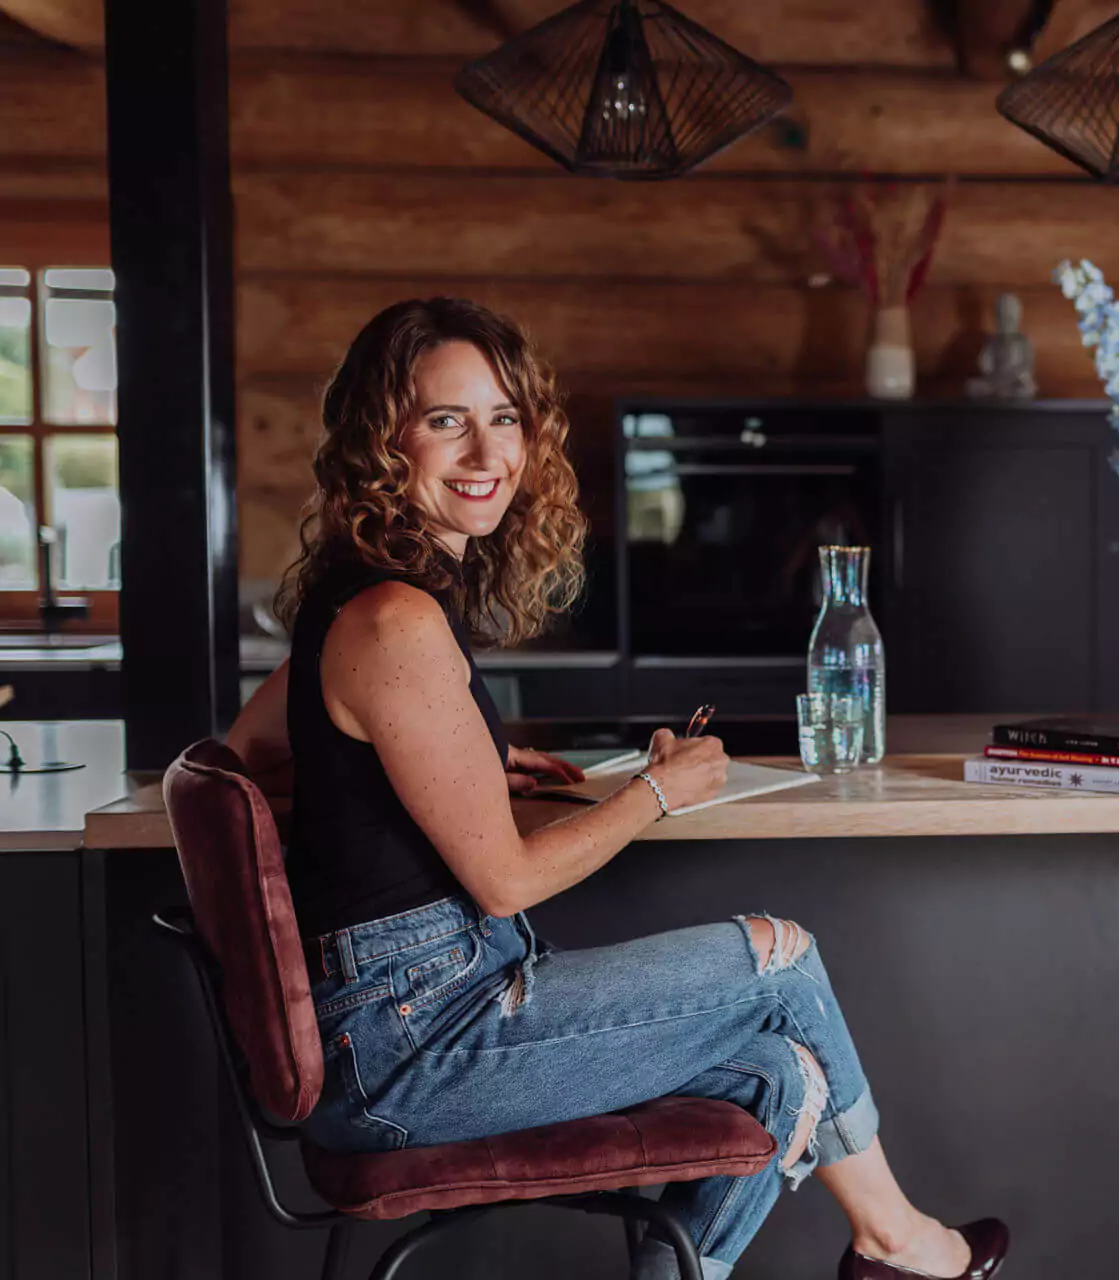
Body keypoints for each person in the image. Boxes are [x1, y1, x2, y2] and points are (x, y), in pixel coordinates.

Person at [225, 297, 1007, 1280]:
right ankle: (899, 1242)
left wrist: (442, 763)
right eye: (444, 420)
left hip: (407, 1018)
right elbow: (506, 879)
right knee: (783, 956)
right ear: (382, 443)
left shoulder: (359, 595)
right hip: (416, 1043)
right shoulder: (396, 621)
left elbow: (246, 749)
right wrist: (658, 790)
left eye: (504, 417)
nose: (485, 451)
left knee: (782, 1072)